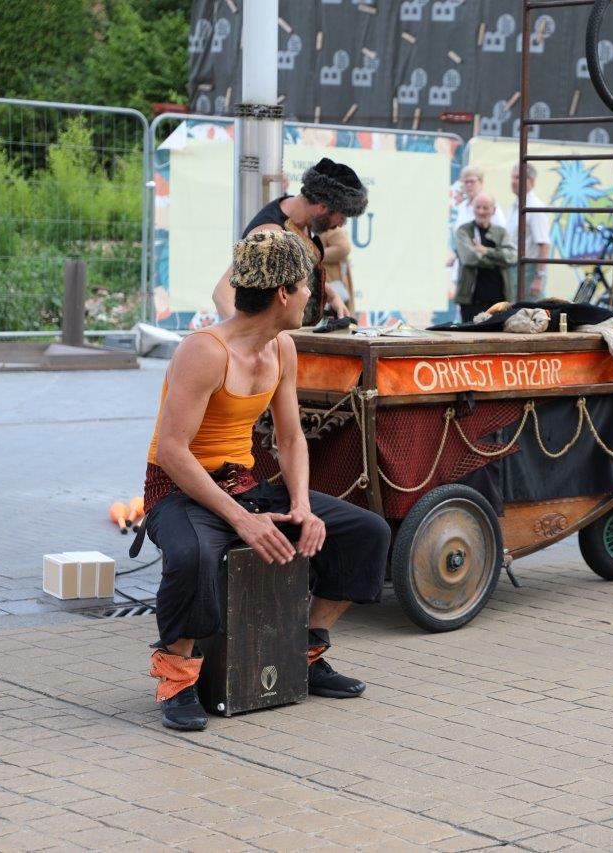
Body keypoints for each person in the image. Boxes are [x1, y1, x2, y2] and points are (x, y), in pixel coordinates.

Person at [144, 231, 391, 731]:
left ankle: (305, 652)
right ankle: (177, 676)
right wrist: (243, 521)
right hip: (178, 491)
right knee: (194, 555)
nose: (311, 295)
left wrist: (302, 506)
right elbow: (172, 452)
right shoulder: (204, 351)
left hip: (243, 484)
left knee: (367, 532)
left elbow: (292, 437)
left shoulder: (283, 348)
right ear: (283, 293)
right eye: (306, 286)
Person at [211, 158, 367, 322]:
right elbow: (222, 292)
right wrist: (247, 335)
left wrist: (332, 295)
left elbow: (297, 277)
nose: (341, 225)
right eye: (342, 217)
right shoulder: (272, 233)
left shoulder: (301, 222)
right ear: (322, 207)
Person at [454, 193, 517, 322]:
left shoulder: (501, 232)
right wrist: (498, 261)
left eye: (485, 208)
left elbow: (512, 256)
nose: (481, 211)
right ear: (473, 209)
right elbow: (469, 258)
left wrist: (486, 251)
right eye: (478, 207)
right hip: (471, 300)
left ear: (493, 210)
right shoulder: (464, 231)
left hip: (499, 300)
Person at [508, 164, 551, 299]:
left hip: (529, 271)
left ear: (531, 181)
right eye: (512, 177)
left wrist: (539, 277)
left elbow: (544, 244)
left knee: (529, 309)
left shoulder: (534, 207)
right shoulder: (517, 205)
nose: (513, 181)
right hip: (517, 269)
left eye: (518, 178)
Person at [319, 225, 355, 316]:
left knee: (337, 315)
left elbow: (343, 248)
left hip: (332, 284)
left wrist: (313, 255)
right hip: (328, 286)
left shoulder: (331, 228)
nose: (340, 223)